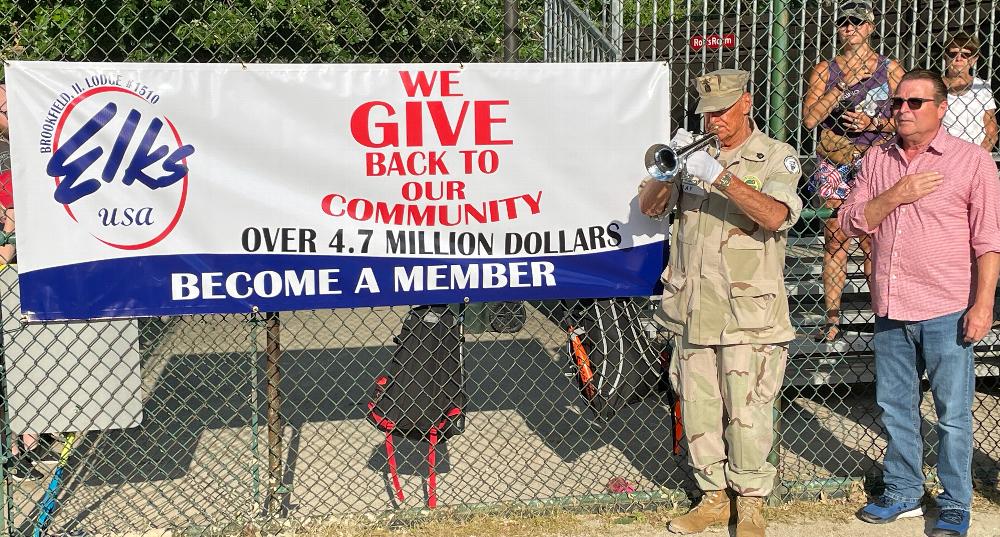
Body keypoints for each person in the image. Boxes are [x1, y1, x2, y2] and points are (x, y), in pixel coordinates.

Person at [639, 69, 803, 537]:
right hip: (693, 309)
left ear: (747, 102)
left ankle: (751, 504)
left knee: (748, 411)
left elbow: (776, 216)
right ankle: (712, 498)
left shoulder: (776, 156)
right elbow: (650, 207)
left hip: (749, 313)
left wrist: (723, 179)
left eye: (722, 112)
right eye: (707, 114)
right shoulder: (694, 155)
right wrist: (667, 173)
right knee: (698, 407)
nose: (714, 122)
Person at [838, 69, 1000, 537]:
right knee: (895, 407)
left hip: (947, 305)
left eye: (915, 103)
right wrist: (896, 194)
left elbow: (989, 240)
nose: (903, 110)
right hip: (891, 304)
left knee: (952, 414)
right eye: (897, 103)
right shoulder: (877, 159)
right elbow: (850, 221)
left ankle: (954, 501)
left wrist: (983, 304)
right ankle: (905, 491)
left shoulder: (971, 162)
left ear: (941, 108)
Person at [802, 0, 904, 342]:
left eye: (857, 22)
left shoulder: (891, 70)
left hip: (875, 159)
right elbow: (810, 119)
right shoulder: (825, 70)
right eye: (844, 22)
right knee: (835, 239)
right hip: (835, 159)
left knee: (873, 241)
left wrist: (872, 121)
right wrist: (842, 87)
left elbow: (907, 119)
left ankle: (883, 317)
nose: (850, 27)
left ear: (871, 27)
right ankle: (832, 320)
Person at [941, 32, 998, 151]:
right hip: (945, 152)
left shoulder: (982, 87)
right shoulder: (934, 85)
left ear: (974, 59)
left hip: (977, 151)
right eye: (953, 53)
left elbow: (991, 128)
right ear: (945, 57)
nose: (959, 58)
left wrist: (979, 154)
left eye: (965, 55)